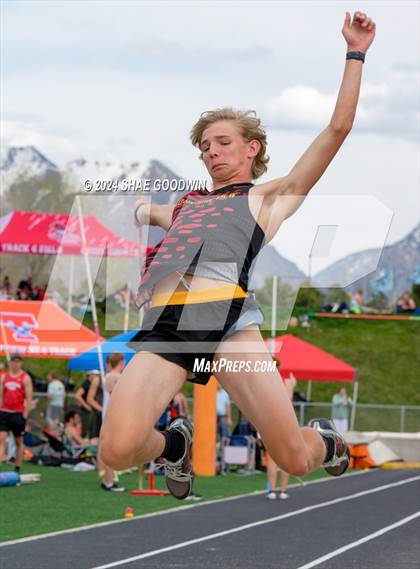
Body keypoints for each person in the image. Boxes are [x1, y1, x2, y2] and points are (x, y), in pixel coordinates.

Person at [101, 12, 376, 500]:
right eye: (205, 147)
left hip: (229, 332)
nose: (211, 153)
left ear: (252, 148)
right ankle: (173, 443)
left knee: (293, 457)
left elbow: (337, 130)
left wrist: (355, 53)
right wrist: (136, 210)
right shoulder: (189, 205)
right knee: (116, 450)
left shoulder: (266, 199)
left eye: (223, 143)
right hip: (169, 327)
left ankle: (325, 440)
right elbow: (154, 212)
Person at [0, 353, 33, 474]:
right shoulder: (4, 377)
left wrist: (25, 415)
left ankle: (17, 468)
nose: (15, 364)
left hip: (17, 414)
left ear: (21, 363)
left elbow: (29, 398)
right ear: (10, 363)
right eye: (13, 361)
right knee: (2, 438)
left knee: (19, 441)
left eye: (18, 361)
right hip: (4, 412)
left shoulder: (25, 378)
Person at [266, 372, 296, 500]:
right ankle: (281, 490)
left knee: (276, 460)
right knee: (283, 460)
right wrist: (291, 387)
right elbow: (287, 404)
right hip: (281, 428)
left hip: (274, 427)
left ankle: (274, 490)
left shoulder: (269, 389)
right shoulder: (279, 391)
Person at [100, 353, 126, 492]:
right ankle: (109, 482)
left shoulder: (109, 376)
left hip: (108, 416)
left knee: (108, 449)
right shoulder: (117, 377)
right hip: (113, 417)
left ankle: (107, 480)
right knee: (111, 450)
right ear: (121, 362)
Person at [74, 371, 97, 438]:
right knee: (85, 429)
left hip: (89, 411)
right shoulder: (86, 384)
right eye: (95, 375)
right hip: (85, 411)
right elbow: (77, 395)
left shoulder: (91, 383)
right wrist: (86, 406)